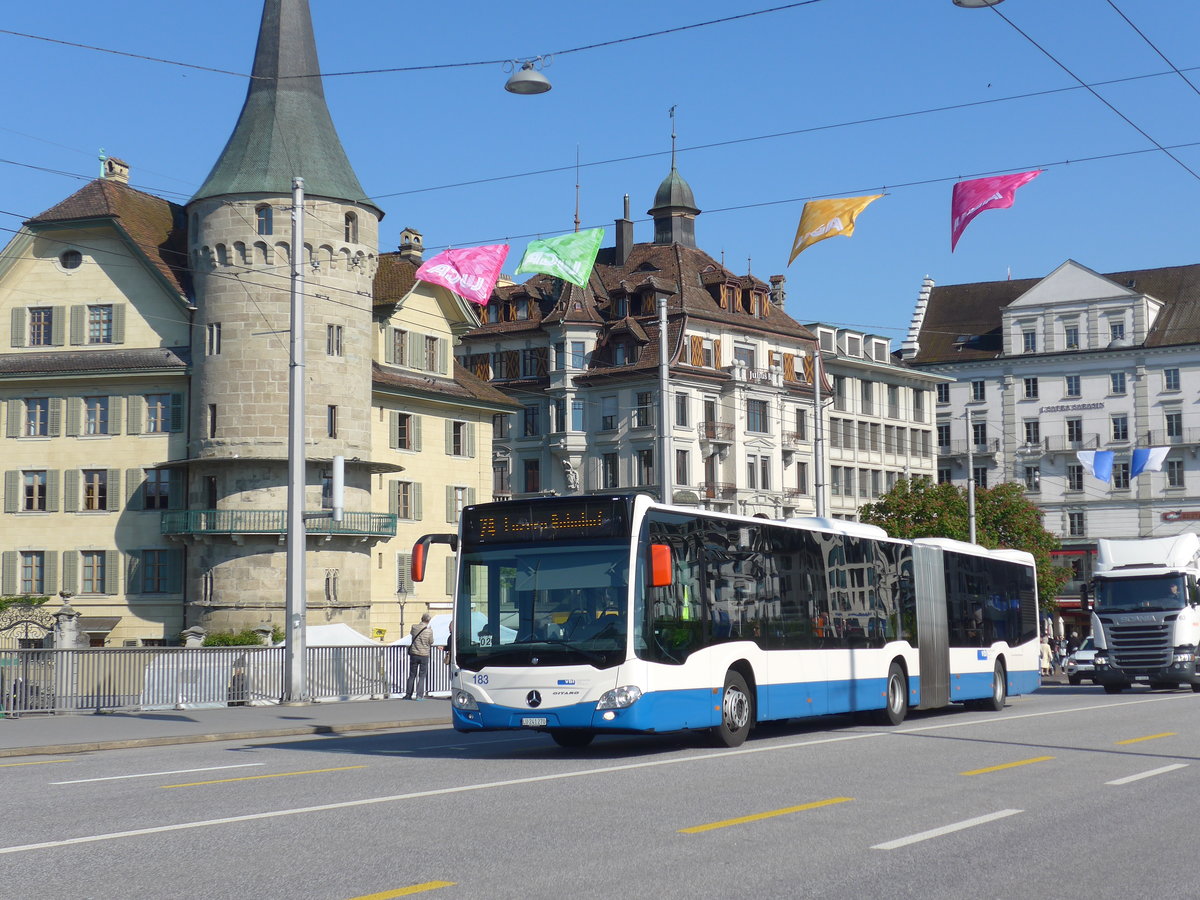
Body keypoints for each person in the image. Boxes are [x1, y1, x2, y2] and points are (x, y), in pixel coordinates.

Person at [403, 613, 434, 700]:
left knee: (412, 675)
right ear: (428, 621)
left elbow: (411, 634)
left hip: (414, 653)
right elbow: (431, 641)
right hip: (424, 654)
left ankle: (408, 695)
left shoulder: (414, 627)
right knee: (422, 676)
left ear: (421, 618)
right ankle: (419, 695)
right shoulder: (429, 631)